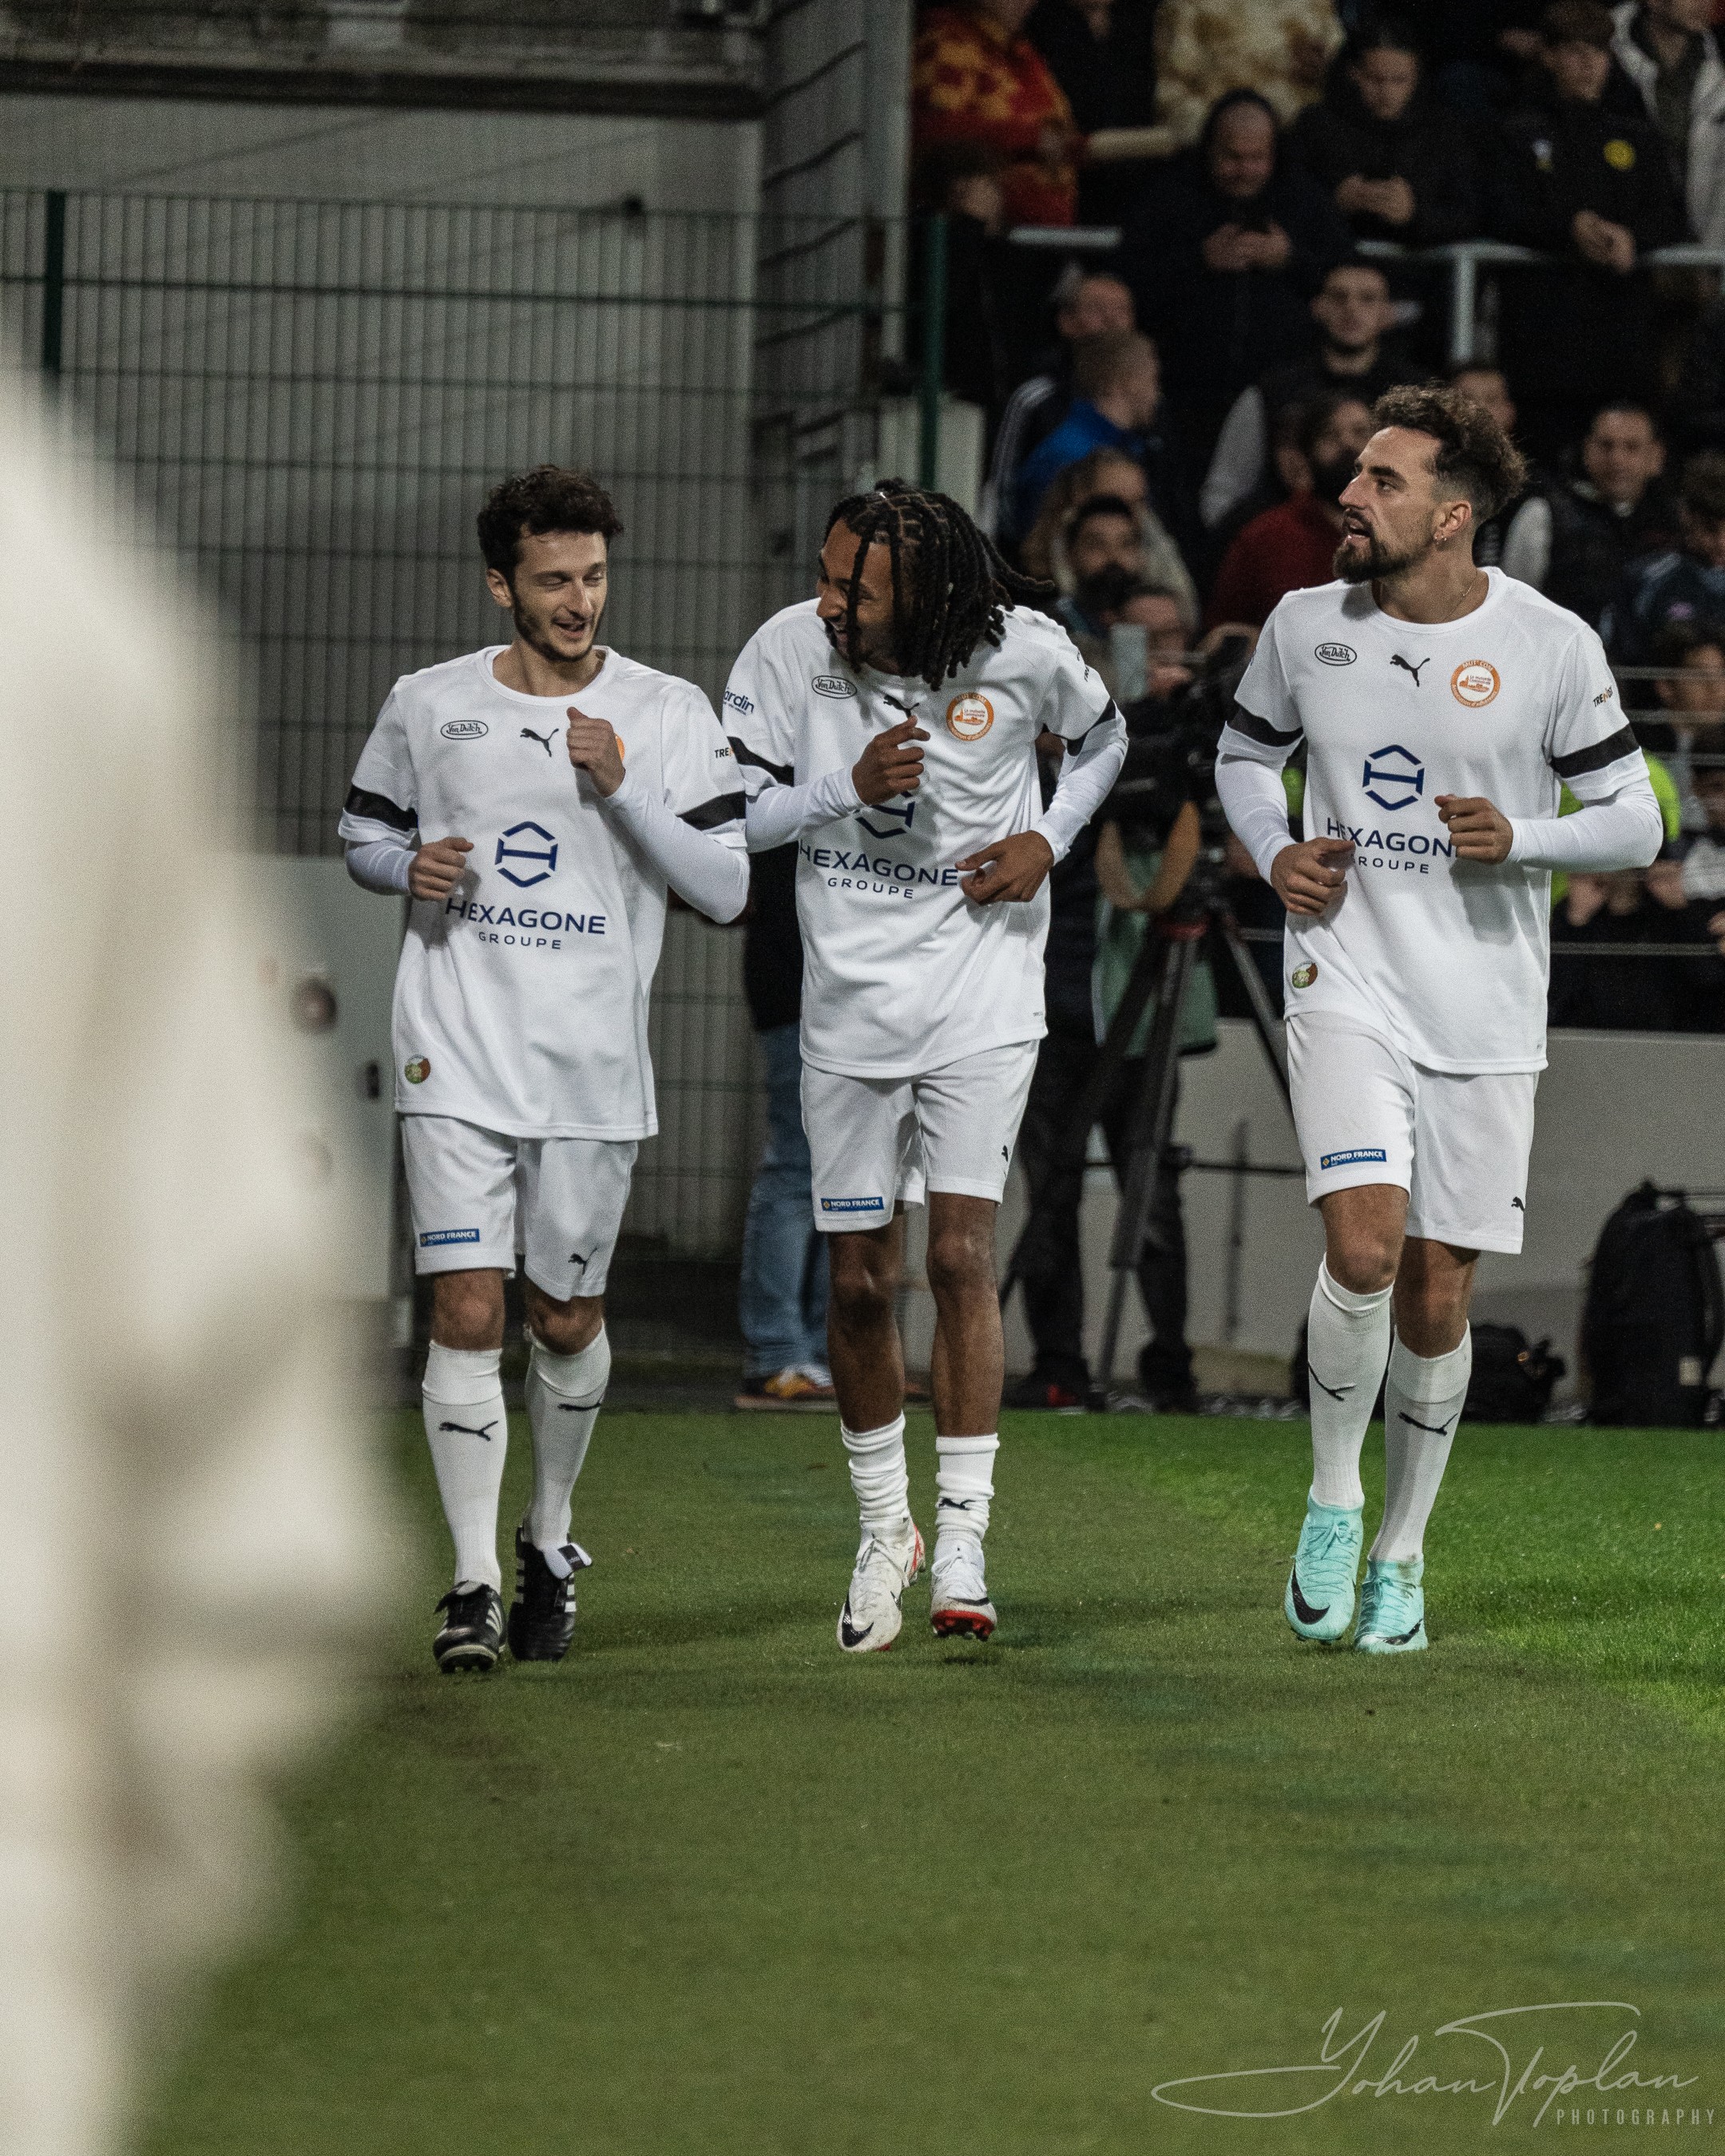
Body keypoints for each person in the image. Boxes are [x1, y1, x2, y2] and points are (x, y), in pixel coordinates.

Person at [1215, 382, 1661, 1654]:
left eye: (1383, 482)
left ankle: (1405, 1556)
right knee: (1361, 1248)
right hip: (1345, 974)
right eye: (1357, 474)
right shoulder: (1306, 626)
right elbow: (1246, 760)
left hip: (1485, 1006)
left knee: (1435, 1294)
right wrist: (1271, 851)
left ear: (1454, 514)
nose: (1350, 497)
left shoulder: (1552, 644)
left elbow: (1638, 821)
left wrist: (1523, 837)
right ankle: (1333, 1501)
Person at [339, 466, 750, 1673]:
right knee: (466, 1307)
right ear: (501, 584)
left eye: (594, 577)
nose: (580, 601)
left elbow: (725, 888)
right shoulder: (430, 703)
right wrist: (402, 865)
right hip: (455, 1041)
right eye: (555, 580)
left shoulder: (666, 714)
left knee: (564, 1317)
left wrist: (621, 790)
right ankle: (466, 1580)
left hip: (589, 1063)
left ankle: (547, 1538)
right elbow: (365, 831)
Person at [722, 479, 1127, 1652]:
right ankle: (880, 1525)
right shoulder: (787, 650)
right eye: (830, 571)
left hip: (982, 985)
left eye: (858, 585)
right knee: (857, 1279)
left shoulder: (1025, 650)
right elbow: (728, 811)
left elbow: (1107, 740)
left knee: (958, 1253)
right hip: (846, 998)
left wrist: (1047, 838)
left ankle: (962, 1538)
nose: (830, 597)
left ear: (933, 594)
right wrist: (838, 792)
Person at [1494, 0, 1686, 459]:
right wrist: (1568, 228)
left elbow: (1672, 217)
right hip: (1541, 337)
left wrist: (1634, 238)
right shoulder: (1517, 130)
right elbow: (1500, 210)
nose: (1588, 66)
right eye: (1576, 52)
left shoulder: (1637, 135)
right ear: (1550, 56)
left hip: (1619, 336)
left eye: (1598, 54)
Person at [1124, 89, 1354, 461]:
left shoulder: (1307, 201)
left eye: (1257, 158)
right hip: (1187, 387)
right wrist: (1201, 260)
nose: (1245, 170)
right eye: (1232, 157)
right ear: (1210, 150)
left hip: (1286, 390)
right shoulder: (1167, 199)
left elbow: (1347, 276)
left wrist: (1290, 257)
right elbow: (1134, 281)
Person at [1199, 256, 1422, 536]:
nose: (1352, 309)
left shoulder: (1417, 397)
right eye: (1339, 298)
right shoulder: (1272, 392)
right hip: (1286, 543)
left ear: (1388, 314)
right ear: (1319, 308)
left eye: (1367, 299)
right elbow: (1223, 494)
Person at [733, 842, 835, 1410]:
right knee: (798, 1170)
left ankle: (821, 1352)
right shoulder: (797, 774)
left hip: (835, 991)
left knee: (842, 1178)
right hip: (796, 987)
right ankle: (777, 1353)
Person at [1289, 14, 1487, 247]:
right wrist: (1334, 203)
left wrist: (1414, 215)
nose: (1387, 92)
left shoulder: (1444, 131)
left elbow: (1470, 216)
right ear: (1354, 74)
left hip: (1417, 275)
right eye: (1375, 79)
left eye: (1399, 80)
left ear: (1416, 79)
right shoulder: (1316, 126)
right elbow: (1284, 202)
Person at [986, 269, 1136, 543]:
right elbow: (1000, 492)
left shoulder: (1147, 403)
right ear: (1066, 321)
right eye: (1098, 310)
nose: (1113, 321)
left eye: (1123, 311)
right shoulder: (1036, 398)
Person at [1501, 401, 1680, 626]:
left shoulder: (1676, 522)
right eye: (1606, 446)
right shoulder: (1544, 514)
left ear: (1656, 457)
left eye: (1631, 447)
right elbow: (1513, 606)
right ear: (1587, 450)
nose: (1617, 459)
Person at [1208, 390, 1377, 628]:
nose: (1347, 444)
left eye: (1360, 433)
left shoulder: (1407, 531)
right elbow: (1226, 631)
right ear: (1306, 454)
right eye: (1330, 436)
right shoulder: (1263, 539)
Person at [1012, 328, 1191, 547]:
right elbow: (1046, 547)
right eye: (1153, 380)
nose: (1158, 394)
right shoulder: (1067, 455)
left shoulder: (1135, 447)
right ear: (1123, 383)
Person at [913, 0, 1083, 229]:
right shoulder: (950, 39)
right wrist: (1034, 140)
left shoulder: (1022, 52)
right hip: (987, 240)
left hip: (1044, 241)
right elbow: (935, 128)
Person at [1020, 443, 1200, 628]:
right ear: (1081, 496)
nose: (1131, 515)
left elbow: (1186, 611)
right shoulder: (1036, 584)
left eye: (1138, 501)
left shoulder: (1152, 539)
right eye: (1116, 500)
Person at [1608, 0, 1725, 247]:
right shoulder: (1605, 61)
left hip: (1704, 254)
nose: (1706, 3)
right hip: (1624, 253)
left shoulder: (1718, 64)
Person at [1604, 447, 1725, 659]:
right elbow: (1622, 666)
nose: (1722, 543)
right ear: (1686, 516)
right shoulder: (1643, 581)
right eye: (1710, 528)